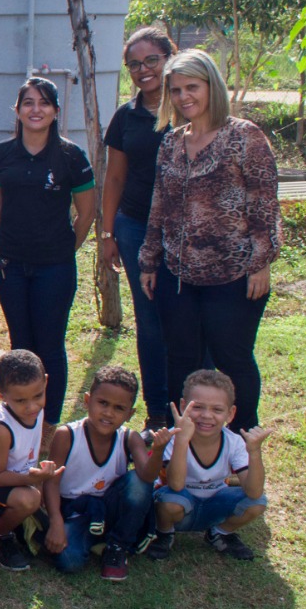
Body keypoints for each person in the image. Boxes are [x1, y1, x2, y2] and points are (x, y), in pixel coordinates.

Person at [139, 49, 281, 433]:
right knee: (181, 362)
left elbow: (265, 205)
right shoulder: (170, 142)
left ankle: (241, 442)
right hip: (178, 275)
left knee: (231, 358)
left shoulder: (245, 137)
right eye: (177, 89)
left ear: (211, 87)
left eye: (192, 87)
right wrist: (150, 261)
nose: (184, 97)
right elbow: (160, 206)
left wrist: (261, 263)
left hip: (234, 275)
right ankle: (180, 444)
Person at [0, 77, 95, 435]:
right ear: (17, 111)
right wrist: (2, 248)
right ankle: (20, 418)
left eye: (44, 103)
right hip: (9, 266)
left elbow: (86, 212)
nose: (36, 109)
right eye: (28, 102)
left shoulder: (71, 156)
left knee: (49, 344)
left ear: (56, 112)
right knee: (21, 343)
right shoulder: (2, 154)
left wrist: (65, 248)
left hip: (55, 267)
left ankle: (48, 425)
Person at [101, 27, 177, 433]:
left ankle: (195, 404)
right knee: (150, 320)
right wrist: (108, 234)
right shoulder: (126, 118)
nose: (143, 70)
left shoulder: (189, 107)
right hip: (135, 227)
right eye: (134, 64)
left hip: (189, 234)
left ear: (169, 58)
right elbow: (114, 178)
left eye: (151, 60)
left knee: (189, 317)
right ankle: (159, 410)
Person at [42, 365, 169, 581]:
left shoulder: (129, 437)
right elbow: (51, 482)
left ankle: (117, 545)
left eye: (119, 408)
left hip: (112, 508)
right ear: (87, 400)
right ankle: (95, 538)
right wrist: (55, 522)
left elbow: (147, 477)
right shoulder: (67, 435)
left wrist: (156, 452)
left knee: (137, 482)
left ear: (130, 414)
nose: (109, 413)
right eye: (102, 403)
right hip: (76, 511)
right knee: (68, 561)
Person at [148, 369, 270, 562]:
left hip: (213, 506)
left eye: (217, 409)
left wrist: (254, 452)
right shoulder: (173, 437)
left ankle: (220, 533)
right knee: (170, 501)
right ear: (182, 406)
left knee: (257, 503)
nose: (206, 415)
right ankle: (164, 533)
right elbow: (176, 485)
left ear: (230, 414)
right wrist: (182, 441)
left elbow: (254, 492)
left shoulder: (235, 442)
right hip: (178, 505)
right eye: (197, 407)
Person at [0, 349, 62, 572]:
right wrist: (32, 480)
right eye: (21, 400)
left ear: (45, 382)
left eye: (37, 396)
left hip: (14, 484)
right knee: (29, 500)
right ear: (1, 395)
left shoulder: (34, 411)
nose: (32, 406)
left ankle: (12, 523)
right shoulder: (1, 429)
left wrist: (37, 480)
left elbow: (29, 455)